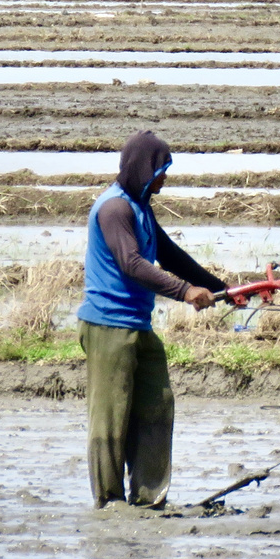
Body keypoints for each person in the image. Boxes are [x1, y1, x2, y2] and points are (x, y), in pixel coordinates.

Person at [79, 131, 225, 509]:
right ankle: (109, 501)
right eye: (161, 170)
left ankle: (148, 498)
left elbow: (171, 256)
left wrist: (224, 288)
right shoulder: (115, 209)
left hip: (138, 326)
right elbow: (132, 265)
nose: (164, 178)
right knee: (110, 417)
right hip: (108, 326)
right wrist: (184, 292)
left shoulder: (141, 206)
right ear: (143, 169)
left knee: (157, 405)